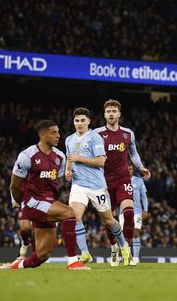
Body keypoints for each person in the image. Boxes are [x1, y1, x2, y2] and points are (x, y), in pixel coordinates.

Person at [0, 120, 88, 270]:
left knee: (42, 255)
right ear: (42, 134)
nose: (58, 135)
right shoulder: (27, 156)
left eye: (59, 132)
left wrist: (48, 202)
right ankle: (73, 261)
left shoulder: (60, 157)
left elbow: (57, 182)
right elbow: (14, 186)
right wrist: (24, 203)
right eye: (54, 132)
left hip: (48, 203)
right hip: (32, 201)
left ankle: (14, 267)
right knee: (70, 213)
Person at [65, 107, 131, 266]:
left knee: (109, 220)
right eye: (77, 121)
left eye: (82, 120)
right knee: (74, 217)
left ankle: (123, 245)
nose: (79, 124)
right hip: (78, 185)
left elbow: (101, 161)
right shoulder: (69, 139)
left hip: (97, 186)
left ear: (88, 121)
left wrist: (79, 158)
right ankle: (85, 253)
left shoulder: (95, 138)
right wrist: (67, 171)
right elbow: (70, 158)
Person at [94, 99, 151, 267]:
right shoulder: (96, 134)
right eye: (108, 111)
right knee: (108, 219)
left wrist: (141, 168)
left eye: (114, 111)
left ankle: (126, 249)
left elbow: (133, 153)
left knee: (128, 211)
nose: (111, 114)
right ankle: (113, 248)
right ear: (104, 115)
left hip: (123, 178)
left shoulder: (128, 134)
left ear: (119, 114)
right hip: (103, 181)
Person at [119, 163, 148, 266]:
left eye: (131, 169)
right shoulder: (120, 181)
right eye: (127, 169)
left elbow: (143, 196)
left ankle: (135, 257)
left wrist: (145, 210)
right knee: (123, 234)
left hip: (136, 211)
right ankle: (126, 256)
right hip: (123, 211)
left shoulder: (139, 181)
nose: (129, 170)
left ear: (133, 170)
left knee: (135, 233)